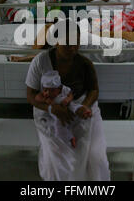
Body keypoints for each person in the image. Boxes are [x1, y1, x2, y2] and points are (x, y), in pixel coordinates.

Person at [25, 20, 110, 181]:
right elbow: (30, 95)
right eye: (67, 44)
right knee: (56, 160)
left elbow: (93, 90)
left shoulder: (85, 63)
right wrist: (52, 108)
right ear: (56, 42)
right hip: (48, 110)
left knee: (95, 157)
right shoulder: (41, 61)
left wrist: (83, 107)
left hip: (80, 107)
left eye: (76, 43)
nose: (72, 48)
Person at [35, 70, 91, 149]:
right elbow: (37, 98)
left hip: (67, 105)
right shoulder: (46, 96)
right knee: (59, 128)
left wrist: (68, 99)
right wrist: (45, 100)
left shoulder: (64, 89)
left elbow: (70, 94)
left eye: (51, 90)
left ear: (59, 88)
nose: (47, 93)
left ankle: (84, 111)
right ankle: (70, 138)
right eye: (45, 90)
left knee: (74, 106)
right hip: (58, 114)